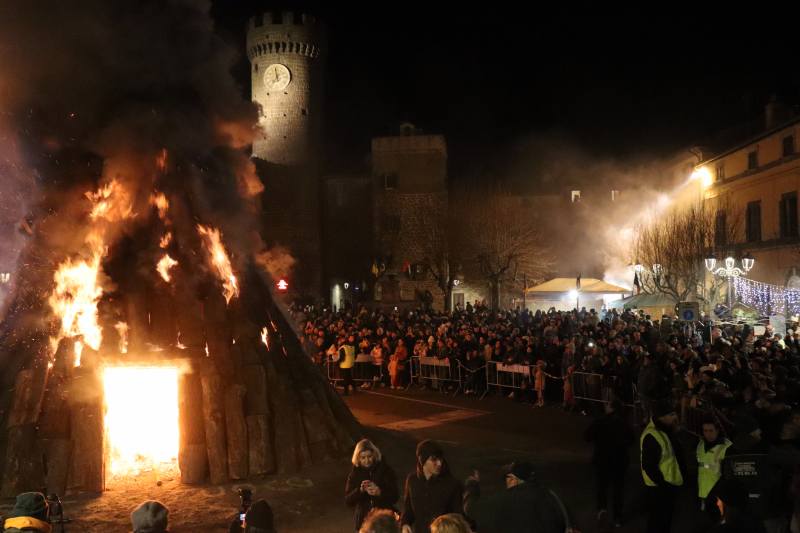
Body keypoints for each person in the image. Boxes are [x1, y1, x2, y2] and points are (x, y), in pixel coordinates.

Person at [463, 461, 576, 533]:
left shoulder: (505, 499)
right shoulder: (552, 496)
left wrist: (472, 484)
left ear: (513, 479)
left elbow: (471, 509)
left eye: (506, 478)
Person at [584, 398, 635, 528]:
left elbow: (587, 436)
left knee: (602, 486)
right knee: (618, 489)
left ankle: (602, 510)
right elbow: (631, 440)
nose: (605, 406)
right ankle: (617, 517)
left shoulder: (600, 421)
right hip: (619, 461)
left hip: (602, 459)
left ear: (611, 407)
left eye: (607, 405)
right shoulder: (624, 423)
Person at [640, 402, 686, 533]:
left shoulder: (665, 429)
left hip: (668, 484)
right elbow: (649, 466)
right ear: (661, 417)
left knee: (664, 520)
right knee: (658, 521)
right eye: (671, 414)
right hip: (660, 488)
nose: (675, 417)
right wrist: (664, 486)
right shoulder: (652, 435)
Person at [401, 440, 463, 533]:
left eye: (440, 459)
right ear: (422, 460)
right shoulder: (412, 481)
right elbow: (408, 509)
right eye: (434, 459)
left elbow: (457, 517)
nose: (439, 463)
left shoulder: (452, 484)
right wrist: (405, 524)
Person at [346, 439, 399, 531]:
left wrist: (380, 492)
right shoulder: (354, 474)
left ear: (374, 455)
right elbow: (348, 500)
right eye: (363, 458)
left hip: (384, 519)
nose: (367, 460)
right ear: (358, 458)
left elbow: (395, 496)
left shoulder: (386, 471)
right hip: (363, 521)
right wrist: (360, 491)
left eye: (369, 456)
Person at [697, 420, 732, 521]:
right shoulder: (700, 444)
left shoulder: (726, 446)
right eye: (705, 431)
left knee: (721, 519)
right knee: (709, 518)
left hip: (719, 491)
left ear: (717, 430)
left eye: (711, 430)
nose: (708, 434)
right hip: (704, 490)